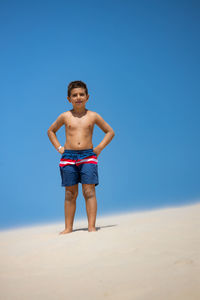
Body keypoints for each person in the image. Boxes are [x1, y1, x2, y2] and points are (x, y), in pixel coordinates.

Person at [47, 80, 115, 234]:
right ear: (68, 98)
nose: (78, 97)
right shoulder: (65, 116)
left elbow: (110, 131)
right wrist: (59, 147)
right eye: (74, 95)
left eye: (81, 94)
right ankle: (68, 228)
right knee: (70, 193)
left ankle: (91, 227)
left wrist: (99, 148)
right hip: (68, 156)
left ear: (87, 97)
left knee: (89, 191)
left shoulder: (93, 116)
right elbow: (51, 131)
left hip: (88, 156)